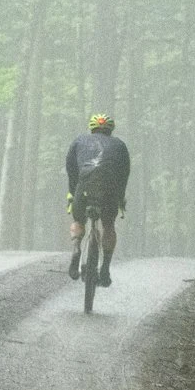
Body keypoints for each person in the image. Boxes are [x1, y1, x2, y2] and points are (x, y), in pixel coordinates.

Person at [65, 113, 131, 286]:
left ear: (92, 128)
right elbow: (124, 175)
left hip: (84, 186)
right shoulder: (120, 145)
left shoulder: (79, 141)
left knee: (79, 220)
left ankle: (76, 248)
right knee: (108, 225)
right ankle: (105, 268)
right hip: (110, 189)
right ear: (111, 130)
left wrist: (73, 193)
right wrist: (120, 198)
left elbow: (72, 171)